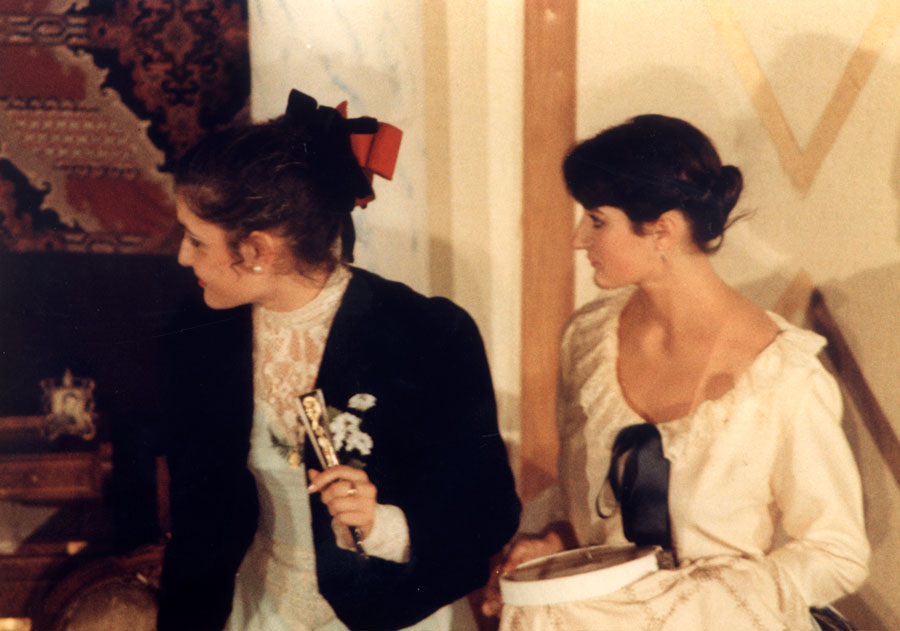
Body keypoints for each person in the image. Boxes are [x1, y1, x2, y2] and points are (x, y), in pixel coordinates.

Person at [484, 114, 868, 631]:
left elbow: (838, 552)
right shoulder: (587, 340)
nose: (578, 238)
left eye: (596, 220)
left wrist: (701, 604)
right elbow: (589, 506)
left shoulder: (783, 376)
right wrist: (558, 540)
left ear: (662, 230)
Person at [155, 89, 521, 631]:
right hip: (257, 611)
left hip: (392, 614)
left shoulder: (427, 334)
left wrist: (383, 524)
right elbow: (197, 514)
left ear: (257, 251)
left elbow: (488, 513)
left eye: (196, 240)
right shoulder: (201, 332)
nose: (183, 256)